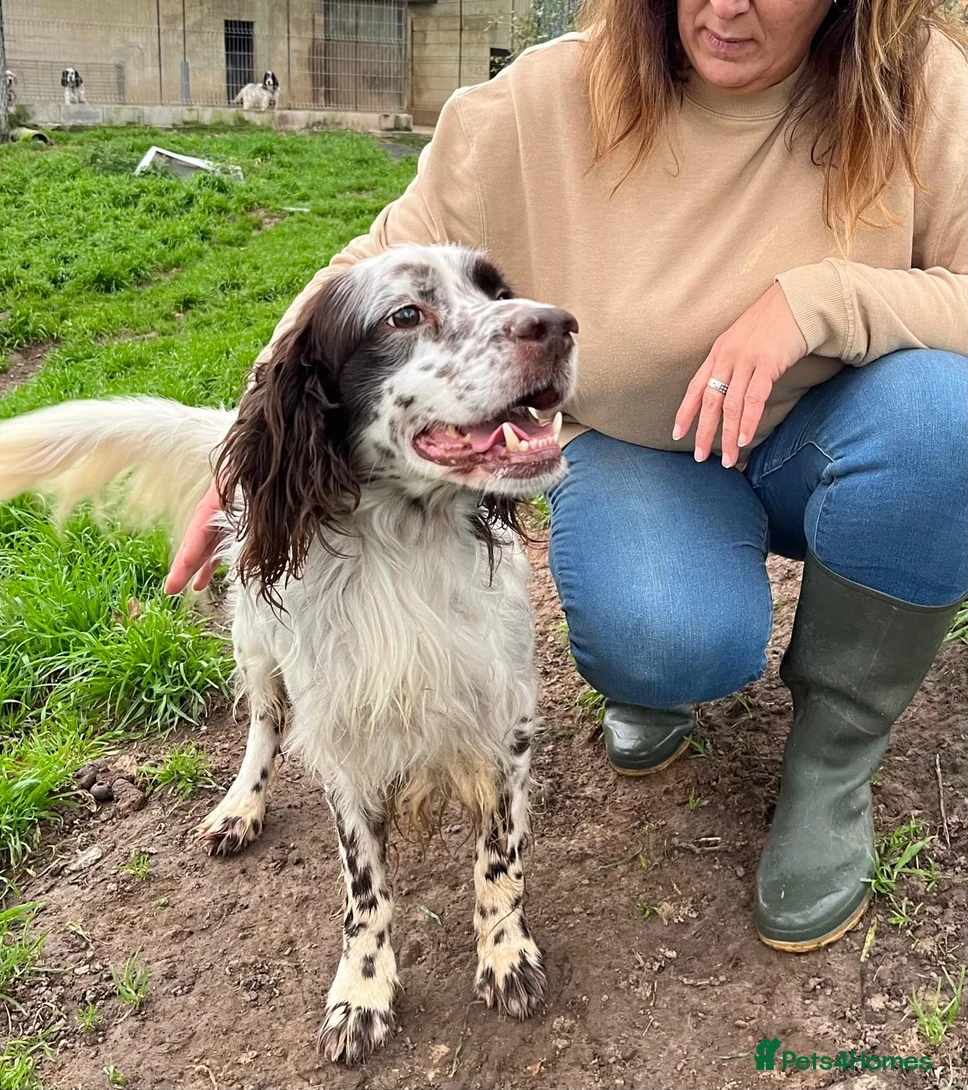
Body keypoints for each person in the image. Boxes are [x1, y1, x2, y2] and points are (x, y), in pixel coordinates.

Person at [165, 0, 967, 953]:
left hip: (832, 433)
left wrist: (822, 297)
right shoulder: (538, 103)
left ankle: (835, 762)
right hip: (641, 447)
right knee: (666, 635)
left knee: (943, 419)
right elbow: (373, 265)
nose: (727, 6)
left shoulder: (917, 83)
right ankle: (654, 678)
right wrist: (250, 446)